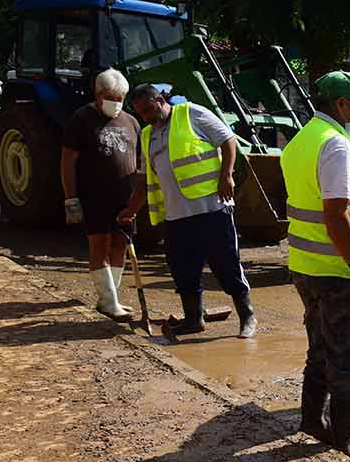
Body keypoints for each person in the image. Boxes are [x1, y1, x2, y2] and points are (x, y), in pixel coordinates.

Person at [280, 71, 350, 462]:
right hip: (337, 271)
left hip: (305, 266)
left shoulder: (300, 142)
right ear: (341, 105)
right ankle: (347, 438)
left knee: (320, 345)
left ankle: (311, 421)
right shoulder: (336, 146)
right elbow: (335, 215)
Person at [119, 84, 256, 339]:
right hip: (176, 217)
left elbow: (227, 139)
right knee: (183, 270)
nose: (146, 117)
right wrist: (131, 209)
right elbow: (144, 178)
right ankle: (194, 320)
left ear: (160, 100)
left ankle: (247, 317)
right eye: (141, 114)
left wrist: (226, 175)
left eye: (149, 109)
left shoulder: (191, 113)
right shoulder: (148, 135)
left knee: (226, 264)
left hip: (211, 208)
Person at [62, 68, 139, 320]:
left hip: (124, 198)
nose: (115, 103)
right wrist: (71, 198)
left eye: (120, 98)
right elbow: (68, 160)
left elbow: (137, 161)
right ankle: (108, 301)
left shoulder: (131, 122)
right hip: (94, 196)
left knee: (120, 244)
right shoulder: (81, 119)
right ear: (97, 95)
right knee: (99, 244)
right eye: (110, 97)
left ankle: (111, 297)